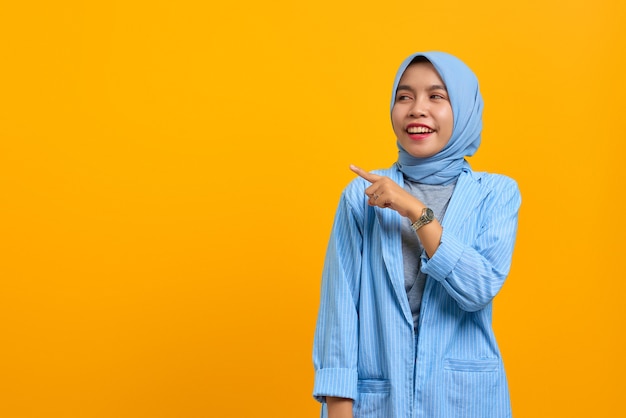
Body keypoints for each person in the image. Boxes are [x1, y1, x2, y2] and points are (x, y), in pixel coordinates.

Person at [312, 51, 521, 418]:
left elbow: (478, 288)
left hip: (466, 403)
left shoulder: (497, 194)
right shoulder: (362, 197)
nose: (417, 109)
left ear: (464, 110)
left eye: (436, 96)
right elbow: (339, 315)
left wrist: (415, 211)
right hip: (378, 403)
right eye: (404, 96)